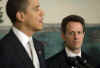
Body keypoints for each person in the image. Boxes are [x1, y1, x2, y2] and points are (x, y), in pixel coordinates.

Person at [0, 0, 46, 68]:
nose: (42, 13)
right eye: (36, 9)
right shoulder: (3, 49)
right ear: (21, 16)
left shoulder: (39, 46)